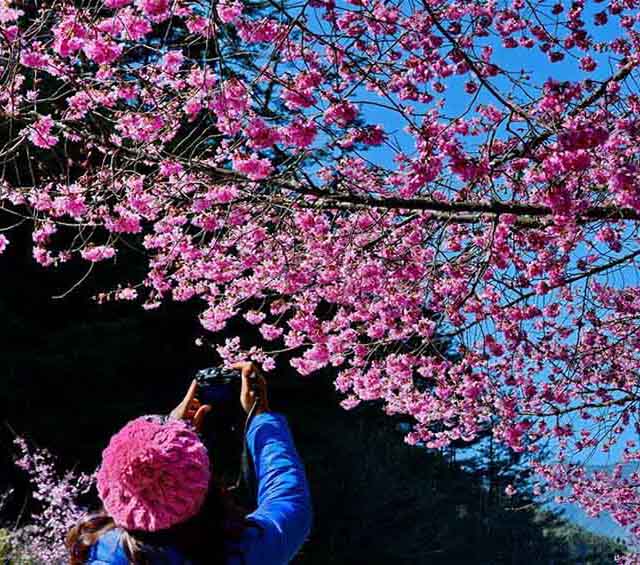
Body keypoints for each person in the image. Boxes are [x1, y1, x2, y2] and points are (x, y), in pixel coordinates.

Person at [67, 361, 312, 564]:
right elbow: (287, 497)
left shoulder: (99, 552)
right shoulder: (248, 550)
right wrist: (261, 420)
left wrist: (168, 432)